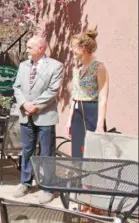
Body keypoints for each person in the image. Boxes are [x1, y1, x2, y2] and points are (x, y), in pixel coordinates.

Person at [12, 35, 64, 204]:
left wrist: (35, 105)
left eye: (29, 47)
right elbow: (17, 87)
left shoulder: (56, 66)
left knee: (47, 153)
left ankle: (48, 188)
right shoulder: (23, 65)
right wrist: (24, 104)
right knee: (27, 151)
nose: (26, 50)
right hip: (26, 116)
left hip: (45, 116)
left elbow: (52, 90)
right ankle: (25, 183)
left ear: (41, 48)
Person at [66, 29, 109, 157]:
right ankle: (79, 176)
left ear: (83, 48)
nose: (71, 50)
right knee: (77, 152)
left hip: (92, 111)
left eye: (73, 46)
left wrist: (100, 125)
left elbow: (103, 98)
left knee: (94, 153)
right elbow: (74, 96)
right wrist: (69, 119)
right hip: (77, 112)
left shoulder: (99, 67)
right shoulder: (76, 69)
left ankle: (93, 177)